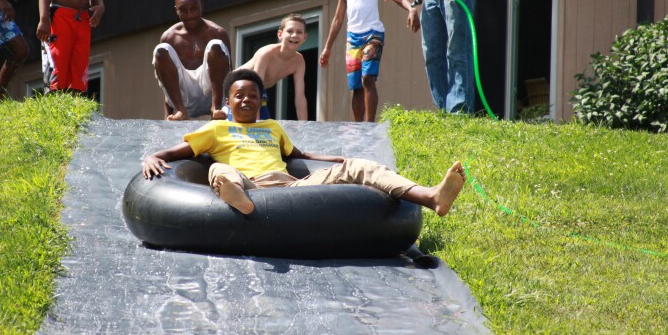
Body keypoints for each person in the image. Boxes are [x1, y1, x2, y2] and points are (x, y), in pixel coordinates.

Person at [142, 68, 466, 216]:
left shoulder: (271, 128)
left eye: (251, 96)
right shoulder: (216, 130)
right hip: (246, 184)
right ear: (227, 101)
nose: (245, 101)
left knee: (362, 165)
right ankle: (236, 199)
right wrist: (151, 157)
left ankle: (431, 197)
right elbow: (174, 152)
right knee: (219, 170)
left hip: (288, 188)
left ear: (260, 100)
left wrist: (337, 162)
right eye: (238, 96)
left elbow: (299, 155)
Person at [320, 0, 419, 122]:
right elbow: (338, 19)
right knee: (356, 86)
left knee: (367, 78)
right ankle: (358, 127)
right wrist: (327, 48)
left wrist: (411, 8)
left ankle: (369, 124)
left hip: (372, 35)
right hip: (352, 39)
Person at [153, 0, 231, 120]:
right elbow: (165, 80)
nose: (189, 14)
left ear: (202, 6)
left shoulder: (217, 32)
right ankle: (181, 112)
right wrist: (167, 115)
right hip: (184, 100)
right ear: (176, 10)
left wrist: (230, 110)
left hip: (211, 95)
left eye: (194, 8)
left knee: (216, 45)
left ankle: (216, 108)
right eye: (183, 10)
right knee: (161, 49)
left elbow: (230, 72)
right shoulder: (169, 36)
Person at [228, 13, 309, 121]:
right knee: (244, 128)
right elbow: (256, 87)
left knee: (266, 128)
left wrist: (304, 127)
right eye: (290, 31)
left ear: (304, 37)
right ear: (280, 34)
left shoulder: (299, 61)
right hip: (235, 89)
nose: (294, 35)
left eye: (299, 32)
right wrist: (255, 124)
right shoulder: (266, 54)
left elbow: (300, 98)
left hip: (259, 92)